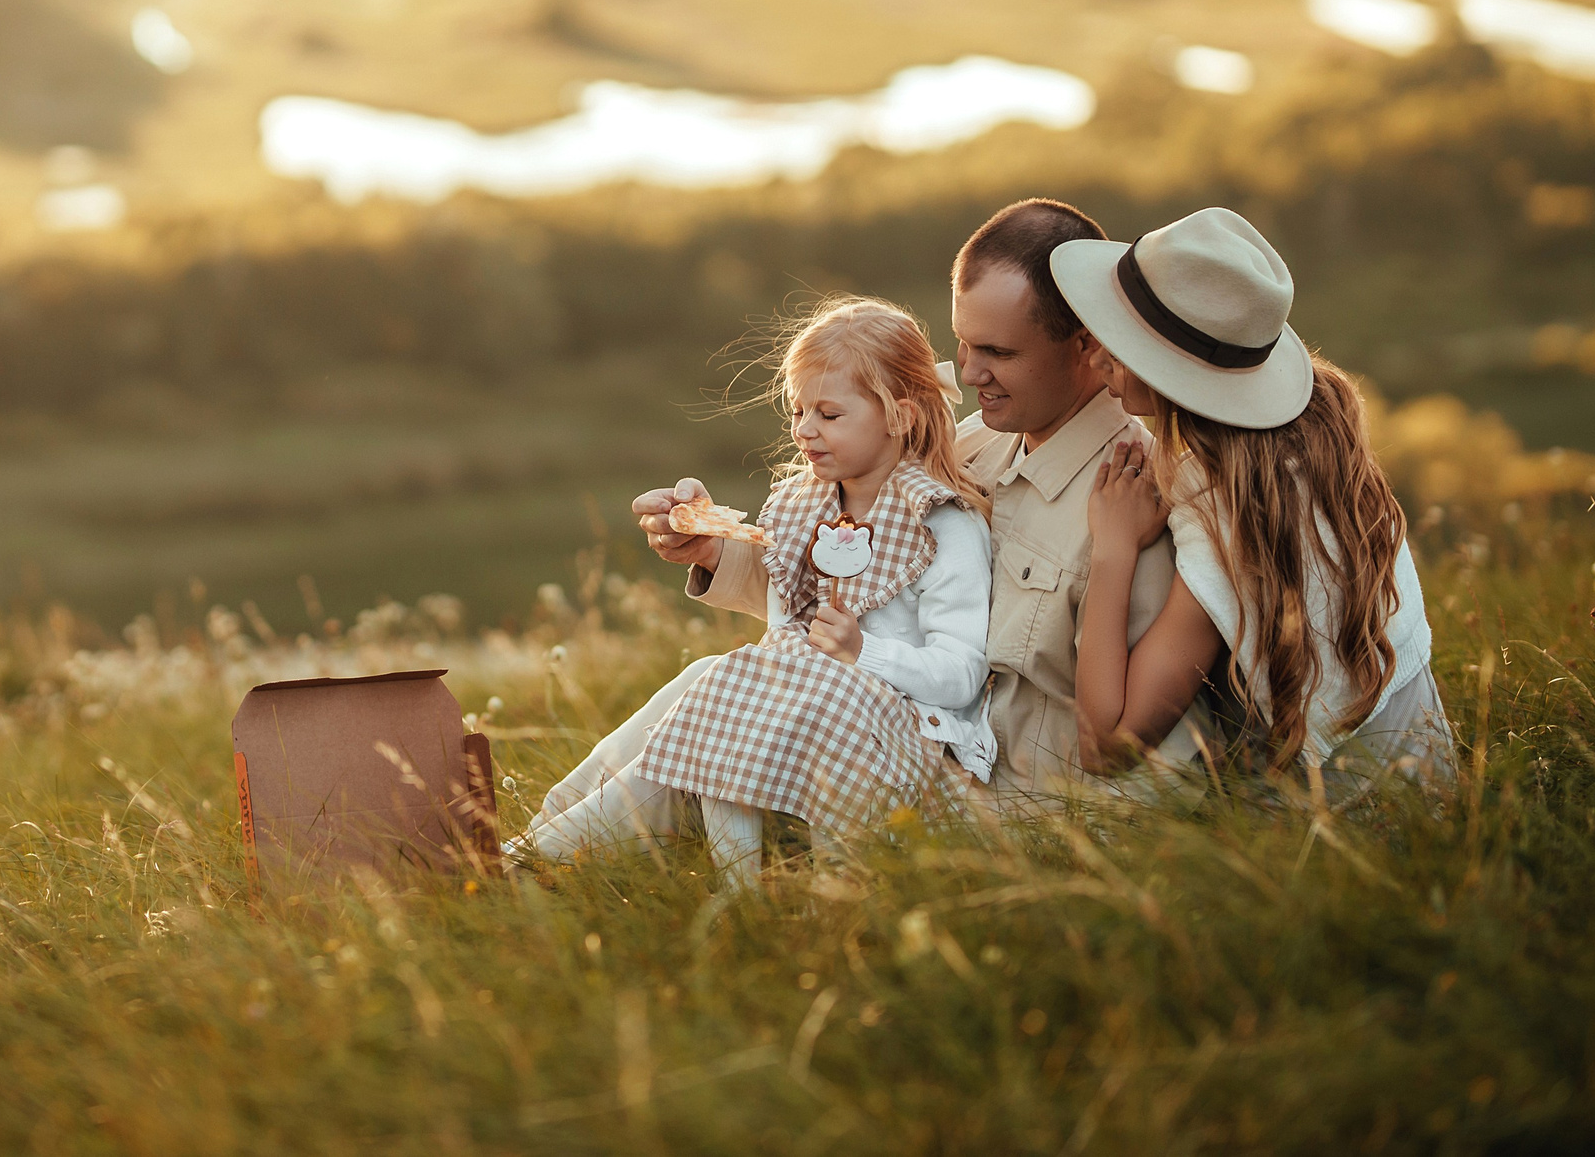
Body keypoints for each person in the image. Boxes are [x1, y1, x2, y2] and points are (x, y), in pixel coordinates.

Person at [514, 297, 994, 884]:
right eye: (797, 411)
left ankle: (542, 860)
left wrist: (863, 651)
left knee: (722, 701)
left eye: (829, 414)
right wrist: (707, 537)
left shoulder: (941, 526)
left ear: (899, 416)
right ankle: (542, 827)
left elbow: (962, 675)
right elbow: (783, 613)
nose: (804, 431)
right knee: (708, 678)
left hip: (898, 743)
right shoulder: (808, 506)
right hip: (812, 714)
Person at [1052, 207, 1452, 799]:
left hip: (1355, 828)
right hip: (1434, 776)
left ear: (1169, 373)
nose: (1092, 357)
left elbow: (1107, 745)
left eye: (1115, 342)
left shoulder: (1229, 513)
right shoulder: (1317, 435)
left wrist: (1112, 549)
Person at [947, 199, 1211, 797]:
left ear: (1087, 345)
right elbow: (865, 569)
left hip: (1043, 823)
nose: (968, 373)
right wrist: (718, 555)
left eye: (999, 353)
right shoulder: (968, 447)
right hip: (945, 780)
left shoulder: (1140, 497)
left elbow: (1147, 762)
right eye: (964, 343)